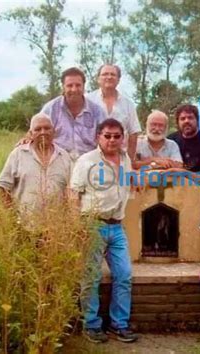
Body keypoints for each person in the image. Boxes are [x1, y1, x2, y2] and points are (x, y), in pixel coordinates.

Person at [70, 118, 138, 344]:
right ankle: (91, 325)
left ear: (122, 138)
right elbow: (73, 194)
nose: (112, 140)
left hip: (117, 227)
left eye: (116, 136)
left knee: (124, 275)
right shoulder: (86, 161)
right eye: (107, 135)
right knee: (91, 276)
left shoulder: (126, 159)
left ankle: (119, 324)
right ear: (98, 136)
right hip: (92, 225)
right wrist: (77, 226)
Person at [0, 113, 71, 228]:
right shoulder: (18, 154)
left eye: (47, 128)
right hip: (24, 227)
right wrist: (12, 218)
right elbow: (3, 187)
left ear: (54, 131)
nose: (43, 132)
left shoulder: (64, 156)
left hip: (56, 232)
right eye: (38, 129)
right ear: (30, 134)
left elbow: (70, 192)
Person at [41, 67, 106, 161]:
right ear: (63, 86)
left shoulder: (97, 111)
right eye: (69, 85)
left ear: (84, 86)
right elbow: (36, 133)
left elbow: (106, 140)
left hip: (89, 163)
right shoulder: (51, 108)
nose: (74, 89)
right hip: (58, 162)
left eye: (78, 85)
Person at [87, 64, 142, 160]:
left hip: (118, 158)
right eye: (105, 74)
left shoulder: (128, 104)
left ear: (118, 80)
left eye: (113, 74)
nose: (109, 77)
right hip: (92, 157)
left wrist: (129, 160)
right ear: (98, 79)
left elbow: (133, 133)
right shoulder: (88, 100)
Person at [167, 104, 200, 173]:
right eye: (182, 119)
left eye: (190, 118)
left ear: (197, 120)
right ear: (178, 122)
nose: (186, 121)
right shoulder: (171, 140)